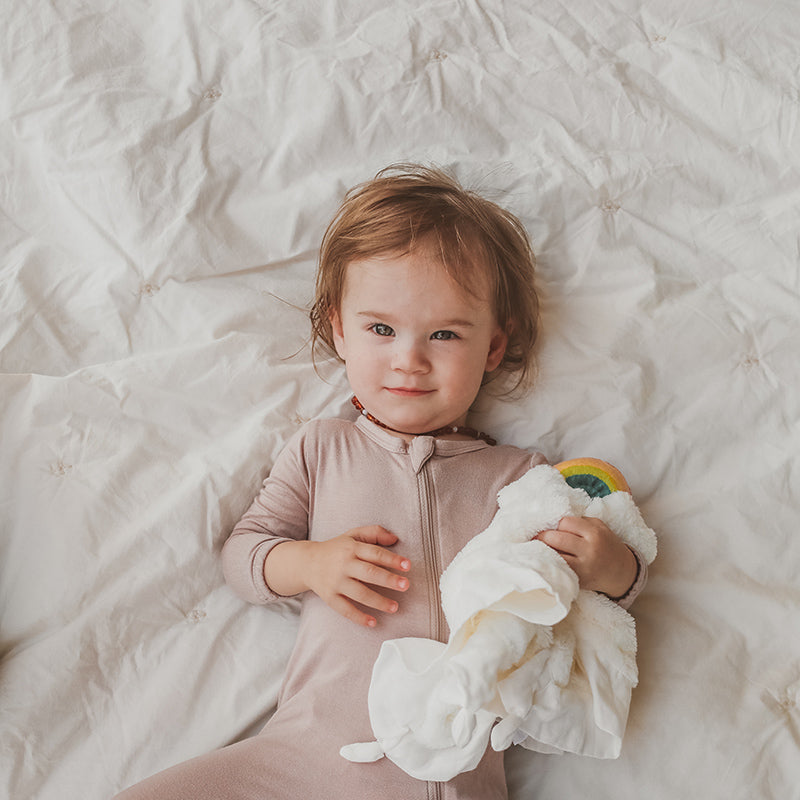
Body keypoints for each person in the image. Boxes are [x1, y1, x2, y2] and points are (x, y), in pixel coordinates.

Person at [114, 164, 646, 800]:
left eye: (445, 334)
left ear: (493, 350)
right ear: (341, 329)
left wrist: (612, 567)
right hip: (304, 759)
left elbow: (591, 606)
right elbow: (244, 552)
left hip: (448, 771)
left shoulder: (521, 479)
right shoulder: (322, 448)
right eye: (381, 329)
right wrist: (309, 564)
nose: (409, 359)